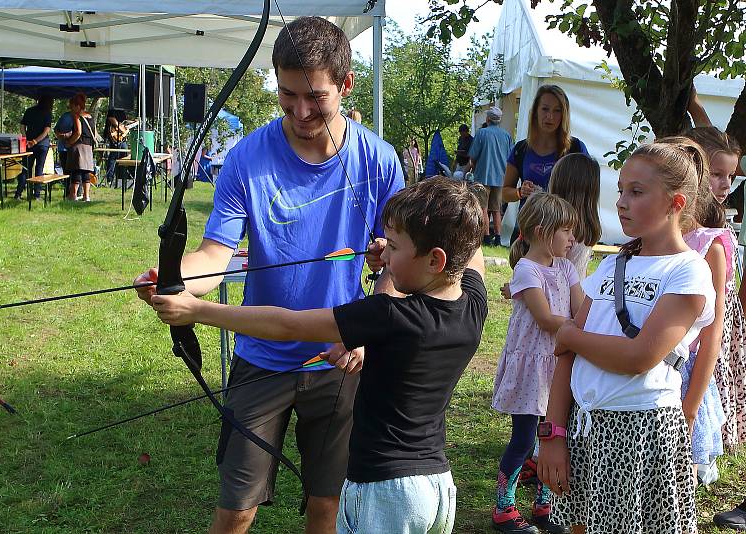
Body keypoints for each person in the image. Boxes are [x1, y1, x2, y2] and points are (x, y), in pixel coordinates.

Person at [134, 17, 404, 534]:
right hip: (262, 357)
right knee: (236, 509)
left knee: (327, 505)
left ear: (345, 85)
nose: (301, 112)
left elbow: (395, 265)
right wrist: (173, 278)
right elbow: (215, 254)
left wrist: (367, 330)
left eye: (315, 98)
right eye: (286, 97)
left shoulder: (379, 162)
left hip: (337, 356)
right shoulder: (247, 157)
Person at [150, 177, 488, 534]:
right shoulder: (473, 304)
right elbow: (472, 253)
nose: (384, 255)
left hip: (384, 491)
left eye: (394, 247)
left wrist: (197, 310)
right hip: (435, 489)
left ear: (435, 260)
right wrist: (404, 253)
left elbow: (288, 325)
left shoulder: (390, 315)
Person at [539, 140, 717, 533]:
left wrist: (570, 332)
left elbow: (639, 356)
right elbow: (564, 356)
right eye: (620, 190)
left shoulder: (688, 271)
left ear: (677, 203)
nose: (621, 202)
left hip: (642, 434)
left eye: (636, 192)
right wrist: (552, 432)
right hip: (585, 427)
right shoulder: (609, 266)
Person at [490, 192, 581, 534]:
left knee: (553, 436)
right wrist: (580, 331)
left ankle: (545, 505)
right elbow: (545, 318)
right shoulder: (527, 269)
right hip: (532, 368)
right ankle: (503, 508)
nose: (573, 239)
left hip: (557, 366)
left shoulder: (567, 267)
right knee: (525, 440)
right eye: (567, 231)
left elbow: (581, 305)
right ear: (543, 231)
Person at [685, 126, 746, 450]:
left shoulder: (712, 237)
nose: (725, 185)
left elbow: (715, 314)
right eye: (717, 174)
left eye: (731, 176)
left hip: (703, 342)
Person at [501, 85, 588, 204]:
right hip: (529, 221)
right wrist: (520, 192)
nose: (550, 116)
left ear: (564, 114)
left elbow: (588, 191)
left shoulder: (576, 149)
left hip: (565, 221)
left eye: (557, 110)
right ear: (536, 111)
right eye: (545, 109)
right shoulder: (520, 149)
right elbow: (505, 193)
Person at [547, 154, 602, 279]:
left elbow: (551, 274)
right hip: (579, 292)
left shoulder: (559, 230)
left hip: (559, 295)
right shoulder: (588, 226)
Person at [468, 106, 513, 246]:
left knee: (483, 208)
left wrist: (474, 168)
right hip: (501, 177)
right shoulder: (506, 135)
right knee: (496, 209)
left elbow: (473, 156)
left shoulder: (482, 133)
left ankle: (486, 237)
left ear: (488, 119)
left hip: (483, 175)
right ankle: (498, 238)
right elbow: (511, 158)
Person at [15, 94, 53, 200]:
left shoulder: (29, 111)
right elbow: (46, 131)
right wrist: (36, 141)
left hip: (28, 144)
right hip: (42, 144)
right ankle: (36, 194)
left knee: (26, 169)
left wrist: (26, 138)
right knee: (39, 169)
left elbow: (22, 126)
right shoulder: (47, 113)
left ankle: (18, 193)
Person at [64, 93, 96, 202]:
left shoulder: (77, 116)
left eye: (72, 106)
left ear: (77, 105)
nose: (71, 109)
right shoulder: (90, 116)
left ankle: (73, 196)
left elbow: (78, 132)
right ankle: (86, 196)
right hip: (88, 147)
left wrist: (69, 143)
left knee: (76, 171)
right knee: (86, 172)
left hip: (78, 147)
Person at [103, 108, 131, 184]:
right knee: (113, 157)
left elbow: (124, 123)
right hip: (114, 137)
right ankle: (110, 179)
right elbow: (111, 118)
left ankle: (121, 178)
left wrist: (125, 129)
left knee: (124, 157)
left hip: (122, 139)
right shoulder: (113, 109)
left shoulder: (123, 111)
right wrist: (122, 130)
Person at [53, 105, 74, 174]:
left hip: (70, 148)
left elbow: (79, 132)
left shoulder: (66, 116)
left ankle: (68, 184)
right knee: (69, 172)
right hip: (65, 148)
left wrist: (62, 135)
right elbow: (56, 129)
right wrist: (60, 135)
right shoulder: (65, 116)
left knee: (69, 172)